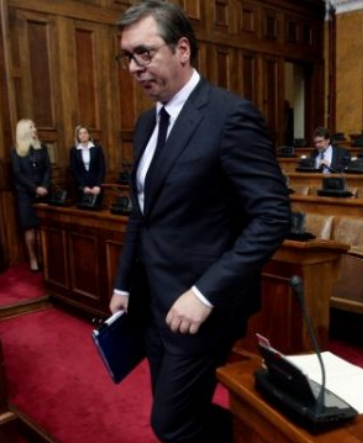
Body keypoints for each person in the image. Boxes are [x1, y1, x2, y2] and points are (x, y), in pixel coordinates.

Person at [110, 2, 291, 442]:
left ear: (183, 49)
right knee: (179, 415)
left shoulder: (230, 116)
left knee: (170, 423)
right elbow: (142, 212)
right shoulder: (146, 123)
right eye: (128, 56)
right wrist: (124, 285)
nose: (134, 67)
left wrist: (205, 293)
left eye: (145, 53)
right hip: (151, 301)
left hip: (201, 307)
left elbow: (272, 216)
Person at [10, 119, 51, 272]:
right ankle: (33, 258)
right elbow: (17, 173)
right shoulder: (15, 150)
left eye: (34, 126)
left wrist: (44, 186)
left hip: (43, 192)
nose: (35, 129)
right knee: (30, 229)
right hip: (25, 194)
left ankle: (43, 258)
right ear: (23, 131)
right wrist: (35, 188)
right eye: (31, 127)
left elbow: (47, 169)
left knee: (42, 229)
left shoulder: (42, 147)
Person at [69, 125, 106, 198]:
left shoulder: (97, 148)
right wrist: (84, 186)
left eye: (85, 132)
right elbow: (74, 170)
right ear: (77, 136)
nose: (83, 135)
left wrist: (98, 185)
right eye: (80, 133)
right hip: (81, 187)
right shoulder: (73, 150)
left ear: (89, 135)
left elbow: (102, 168)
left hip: (96, 186)